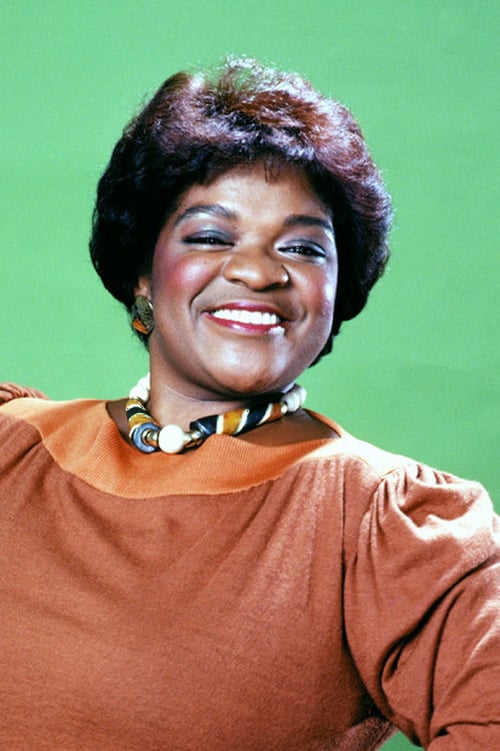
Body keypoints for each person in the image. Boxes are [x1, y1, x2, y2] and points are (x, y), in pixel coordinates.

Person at [0, 57, 498, 751]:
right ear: (142, 272)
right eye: (211, 236)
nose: (260, 272)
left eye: (303, 248)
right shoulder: (14, 448)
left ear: (337, 290)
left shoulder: (379, 520)